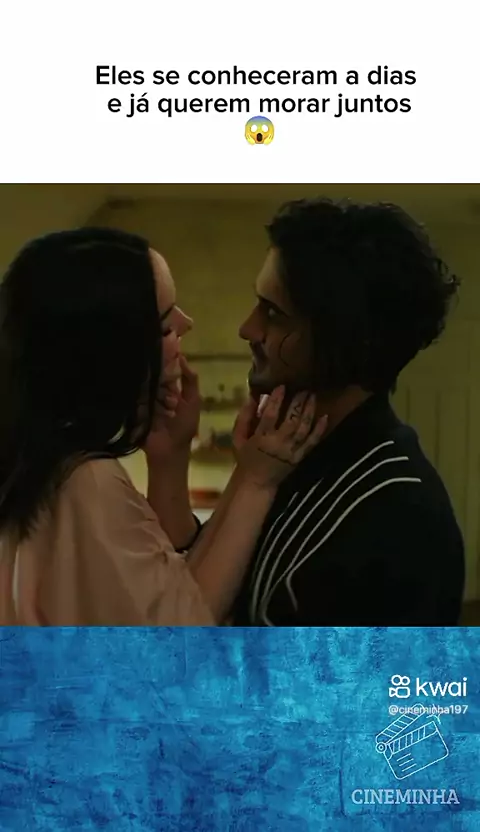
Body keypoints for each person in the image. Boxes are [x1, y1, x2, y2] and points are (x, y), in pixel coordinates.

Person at [0, 227, 328, 626]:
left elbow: (170, 596)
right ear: (109, 353)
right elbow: (181, 636)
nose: (186, 323)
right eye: (164, 326)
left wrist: (172, 460)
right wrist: (256, 481)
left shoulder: (39, 465)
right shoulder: (85, 482)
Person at [230, 197, 466, 626]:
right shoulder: (288, 458)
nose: (247, 329)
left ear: (342, 339)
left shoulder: (401, 515)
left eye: (273, 314)